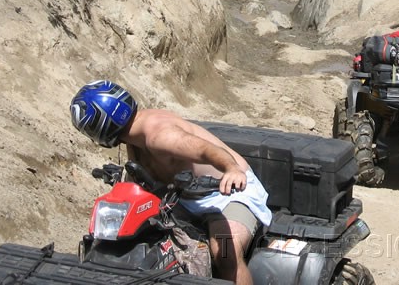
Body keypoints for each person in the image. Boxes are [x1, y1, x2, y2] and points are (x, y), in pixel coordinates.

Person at [70, 80, 271, 285]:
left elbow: (207, 150)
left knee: (226, 253)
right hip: (183, 198)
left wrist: (232, 169)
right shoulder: (133, 136)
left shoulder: (161, 136)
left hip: (227, 195)